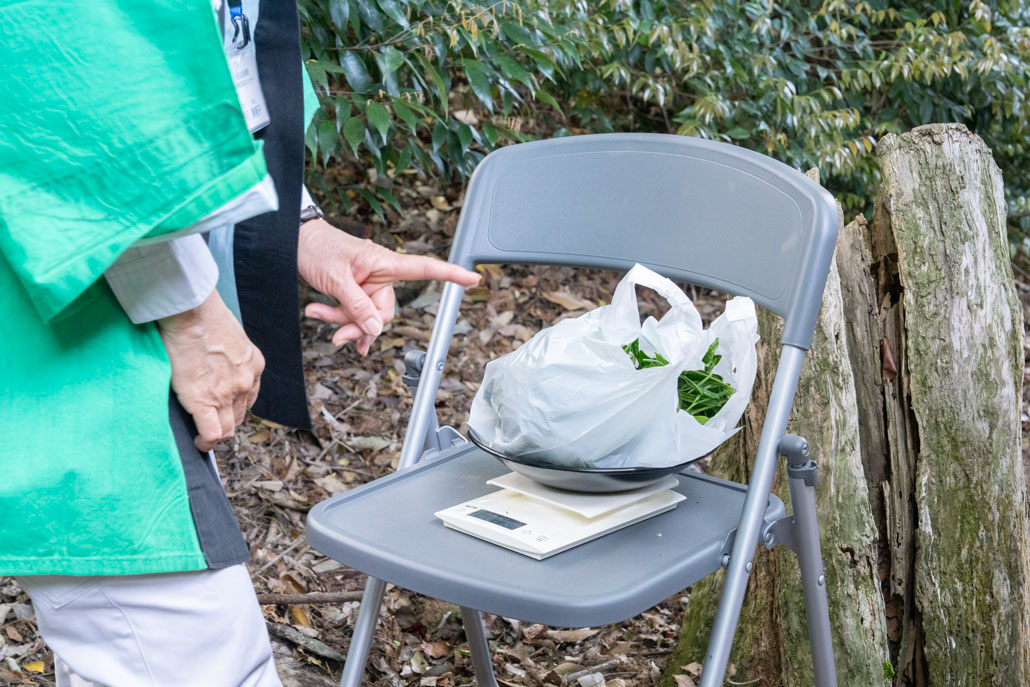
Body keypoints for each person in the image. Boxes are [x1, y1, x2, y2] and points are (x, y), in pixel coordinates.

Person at [0, 1, 478, 685]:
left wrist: (300, 227)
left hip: (114, 278)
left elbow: (217, 66)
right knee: (187, 652)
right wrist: (187, 307)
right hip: (74, 300)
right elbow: (58, 59)